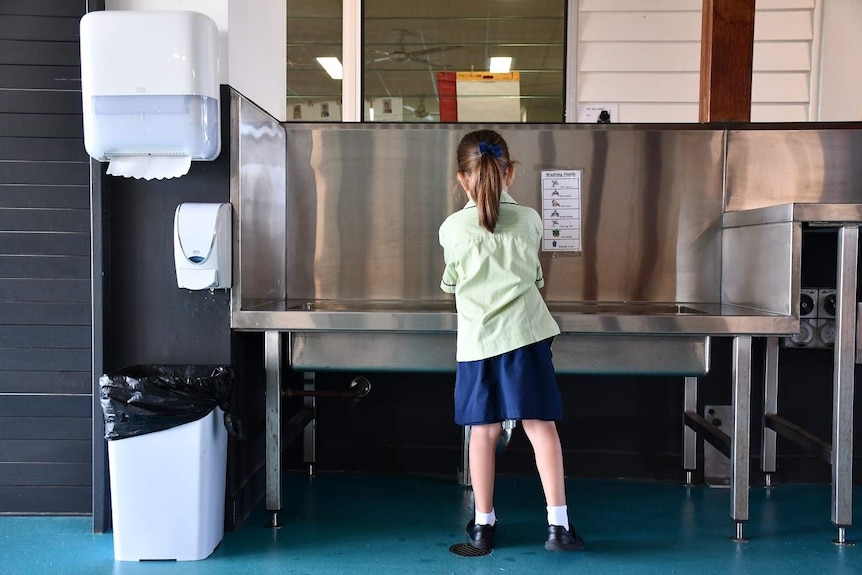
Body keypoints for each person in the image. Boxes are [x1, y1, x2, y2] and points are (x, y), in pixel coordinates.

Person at [438, 129, 584, 553]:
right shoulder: (532, 220)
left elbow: (451, 282)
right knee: (541, 428)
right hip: (526, 338)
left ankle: (483, 524)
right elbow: (535, 277)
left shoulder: (452, 228)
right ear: (511, 174)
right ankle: (558, 527)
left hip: (478, 343)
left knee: (481, 433)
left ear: (463, 179)